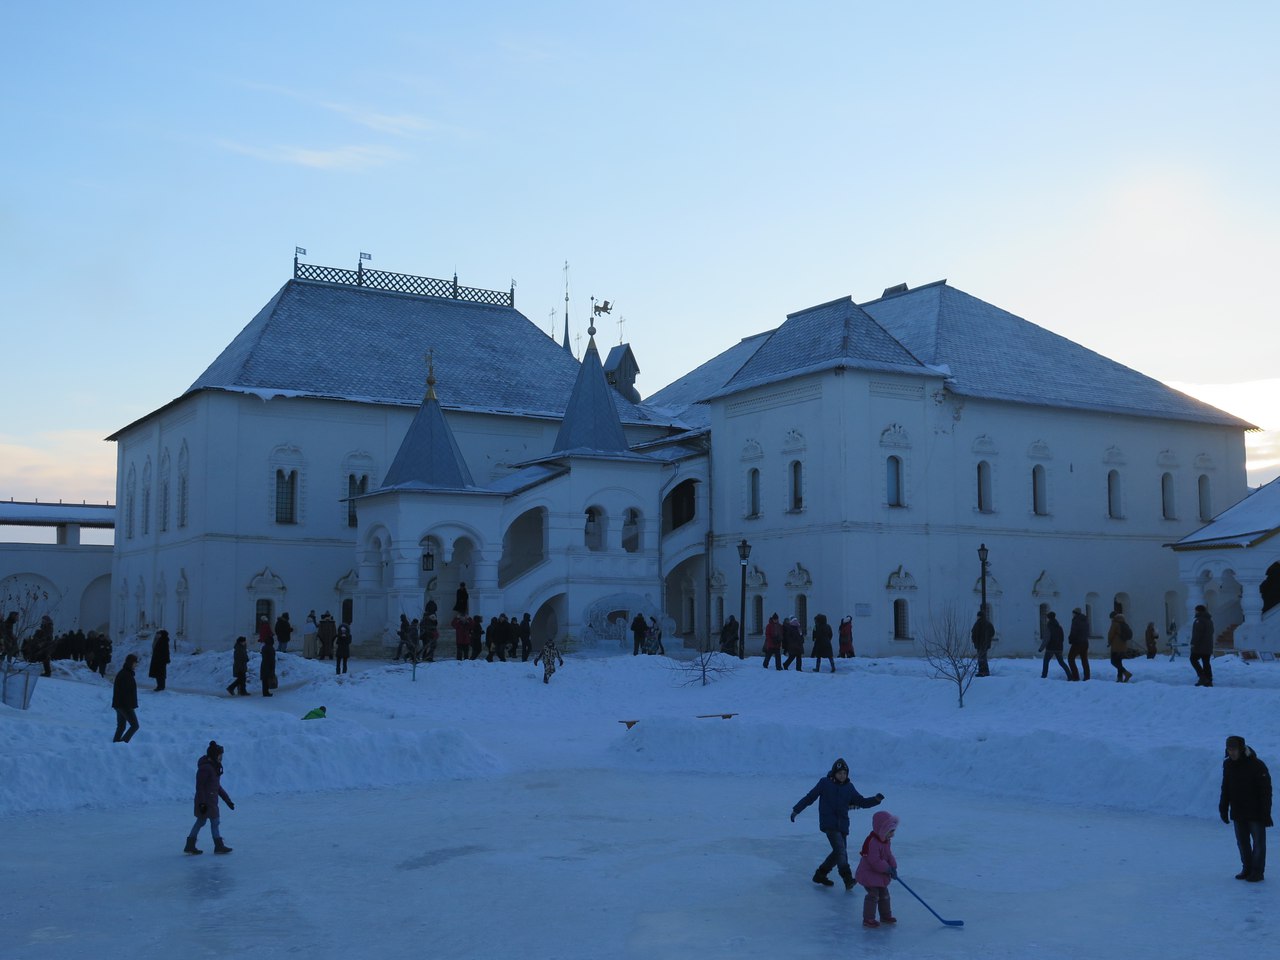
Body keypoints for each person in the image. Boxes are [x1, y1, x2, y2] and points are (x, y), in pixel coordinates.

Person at [791, 757, 884, 891]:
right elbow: (810, 797)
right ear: (834, 773)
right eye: (840, 773)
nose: (842, 775)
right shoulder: (824, 783)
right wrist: (796, 810)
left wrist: (875, 800)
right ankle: (847, 878)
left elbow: (861, 801)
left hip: (843, 825)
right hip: (829, 823)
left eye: (844, 773)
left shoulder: (849, 787)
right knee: (841, 850)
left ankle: (820, 874)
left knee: (838, 852)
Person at [1220, 735, 1272, 882]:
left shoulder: (1257, 765)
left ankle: (1257, 872)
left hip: (1256, 813)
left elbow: (1266, 792)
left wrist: (1266, 814)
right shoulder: (1228, 765)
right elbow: (1226, 788)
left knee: (1258, 844)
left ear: (1241, 749)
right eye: (1229, 750)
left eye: (1234, 749)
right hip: (1238, 811)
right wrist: (1223, 807)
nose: (1232, 753)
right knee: (1242, 843)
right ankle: (1247, 868)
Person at [184, 740, 234, 855]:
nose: (221, 758)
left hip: (211, 801)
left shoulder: (214, 767)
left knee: (202, 822)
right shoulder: (205, 768)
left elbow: (217, 787)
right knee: (213, 822)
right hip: (206, 802)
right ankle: (218, 846)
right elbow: (200, 787)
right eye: (220, 755)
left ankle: (190, 845)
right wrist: (202, 804)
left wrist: (227, 800)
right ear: (214, 755)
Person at [855, 810, 899, 927]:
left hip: (879, 874)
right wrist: (887, 869)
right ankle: (868, 918)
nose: (893, 834)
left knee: (884, 894)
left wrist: (893, 867)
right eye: (891, 831)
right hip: (868, 874)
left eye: (893, 831)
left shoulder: (885, 841)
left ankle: (885, 916)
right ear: (882, 829)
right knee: (873, 895)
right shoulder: (872, 842)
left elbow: (889, 855)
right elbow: (874, 861)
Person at [112, 654, 141, 742]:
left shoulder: (126, 673)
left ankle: (115, 745)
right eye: (135, 663)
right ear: (131, 663)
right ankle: (122, 744)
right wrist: (129, 707)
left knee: (121, 726)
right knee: (135, 726)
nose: (136, 665)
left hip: (119, 704)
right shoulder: (126, 675)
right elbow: (125, 693)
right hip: (124, 705)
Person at [1039, 611, 1069, 679]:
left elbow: (1046, 639)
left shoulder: (1048, 627)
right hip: (1059, 648)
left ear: (1049, 618)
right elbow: (1062, 638)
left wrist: (1041, 648)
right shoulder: (1059, 627)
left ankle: (1044, 675)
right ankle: (1069, 675)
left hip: (1050, 648)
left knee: (1046, 662)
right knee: (1061, 662)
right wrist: (1059, 644)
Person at [1191, 604, 1215, 687]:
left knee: (1193, 659)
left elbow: (1197, 634)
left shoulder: (1199, 620)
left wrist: (1193, 643)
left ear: (1198, 611)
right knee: (1206, 662)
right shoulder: (1209, 620)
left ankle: (1202, 677)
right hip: (1208, 645)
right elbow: (1212, 632)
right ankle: (1209, 679)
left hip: (1200, 646)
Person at [1108, 612, 1134, 683]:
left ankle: (1126, 673)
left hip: (1116, 646)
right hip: (1123, 646)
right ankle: (1119, 678)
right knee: (1119, 662)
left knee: (1113, 662)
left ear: (1113, 617)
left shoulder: (1115, 623)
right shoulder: (1123, 622)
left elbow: (1111, 634)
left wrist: (1109, 642)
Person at [1067, 607, 1090, 681]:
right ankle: (1087, 677)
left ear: (1075, 613)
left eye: (1073, 613)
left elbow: (1074, 631)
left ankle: (1075, 676)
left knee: (1070, 658)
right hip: (1085, 642)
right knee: (1084, 660)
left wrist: (1070, 639)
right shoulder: (1085, 620)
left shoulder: (1076, 620)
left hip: (1077, 643)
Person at [971, 610, 994, 677]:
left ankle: (982, 672)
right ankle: (985, 671)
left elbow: (974, 633)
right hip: (985, 644)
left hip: (980, 643)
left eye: (978, 616)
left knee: (981, 658)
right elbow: (992, 632)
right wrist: (988, 639)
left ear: (979, 616)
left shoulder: (978, 623)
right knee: (983, 657)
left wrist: (975, 640)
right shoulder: (988, 623)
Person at [259, 633, 276, 697]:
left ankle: (265, 692)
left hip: (264, 664)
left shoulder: (264, 647)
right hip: (269, 665)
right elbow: (272, 658)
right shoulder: (270, 648)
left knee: (264, 679)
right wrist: (272, 667)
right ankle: (266, 692)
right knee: (267, 679)